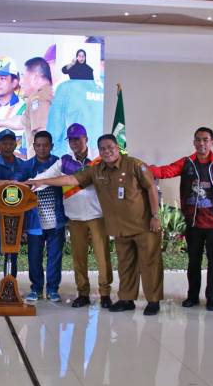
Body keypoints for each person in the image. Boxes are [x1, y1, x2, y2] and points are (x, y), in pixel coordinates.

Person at [26, 134, 164, 315]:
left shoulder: (135, 165)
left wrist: (155, 215)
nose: (107, 152)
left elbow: (151, 187)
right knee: (126, 264)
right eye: (103, 149)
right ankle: (127, 299)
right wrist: (41, 181)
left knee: (149, 263)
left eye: (110, 147)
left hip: (143, 224)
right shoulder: (97, 170)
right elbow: (71, 180)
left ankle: (153, 301)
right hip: (121, 227)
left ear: (117, 148)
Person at [148, 127, 213, 311]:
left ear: (212, 142)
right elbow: (165, 171)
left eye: (205, 140)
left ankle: (211, 298)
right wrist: (143, 168)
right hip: (194, 223)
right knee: (193, 262)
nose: (201, 143)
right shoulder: (186, 163)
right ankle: (192, 296)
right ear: (194, 142)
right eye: (198, 140)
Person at [29, 123, 112, 308]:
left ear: (86, 139)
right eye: (71, 140)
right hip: (75, 218)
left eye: (78, 139)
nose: (74, 143)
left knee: (102, 257)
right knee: (79, 258)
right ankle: (83, 293)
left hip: (97, 216)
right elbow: (45, 178)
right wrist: (27, 184)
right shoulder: (64, 161)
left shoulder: (99, 159)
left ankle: (105, 293)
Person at [19, 131, 66, 302]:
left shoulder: (59, 164)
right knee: (34, 257)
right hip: (34, 221)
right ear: (33, 146)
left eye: (45, 145)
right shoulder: (26, 166)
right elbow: (20, 191)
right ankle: (36, 289)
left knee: (55, 257)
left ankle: (53, 289)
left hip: (56, 220)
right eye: (38, 145)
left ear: (51, 146)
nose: (41, 148)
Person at [0, 130, 26, 298]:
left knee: (13, 250)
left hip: (16, 215)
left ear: (16, 145)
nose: (8, 146)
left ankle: (10, 283)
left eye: (11, 143)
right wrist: (13, 183)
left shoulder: (22, 164)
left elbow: (25, 185)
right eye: (4, 143)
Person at [20, 57, 54, 158]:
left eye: (24, 76)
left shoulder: (38, 98)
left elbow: (43, 134)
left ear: (35, 77)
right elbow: (26, 121)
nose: (21, 82)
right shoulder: (50, 93)